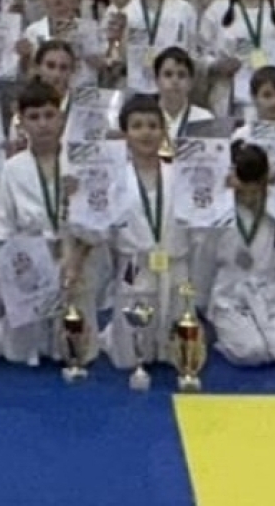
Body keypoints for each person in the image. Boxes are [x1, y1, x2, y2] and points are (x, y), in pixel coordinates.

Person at [69, 95, 191, 371]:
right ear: (124, 135)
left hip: (176, 267)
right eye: (137, 126)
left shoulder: (181, 175)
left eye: (153, 126)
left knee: (179, 353)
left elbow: (204, 220)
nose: (146, 132)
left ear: (164, 132)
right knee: (129, 358)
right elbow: (96, 230)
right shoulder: (112, 179)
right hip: (135, 267)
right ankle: (115, 335)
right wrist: (77, 199)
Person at [0, 81, 92, 366]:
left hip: (74, 260)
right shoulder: (12, 168)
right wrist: (20, 265)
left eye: (49, 115)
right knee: (19, 354)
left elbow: (98, 222)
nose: (43, 124)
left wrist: (74, 259)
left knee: (76, 351)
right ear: (21, 122)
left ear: (61, 118)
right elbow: (4, 226)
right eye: (34, 117)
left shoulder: (81, 163)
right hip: (31, 264)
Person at [202, 142, 275, 366]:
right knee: (252, 352)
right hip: (229, 293)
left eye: (255, 191)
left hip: (267, 290)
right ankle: (224, 334)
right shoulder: (218, 207)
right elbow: (204, 258)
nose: (248, 197)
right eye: (243, 191)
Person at [119, 0, 197, 95]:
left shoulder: (184, 9)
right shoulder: (125, 11)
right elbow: (120, 59)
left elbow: (192, 54)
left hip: (174, 91)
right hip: (136, 91)